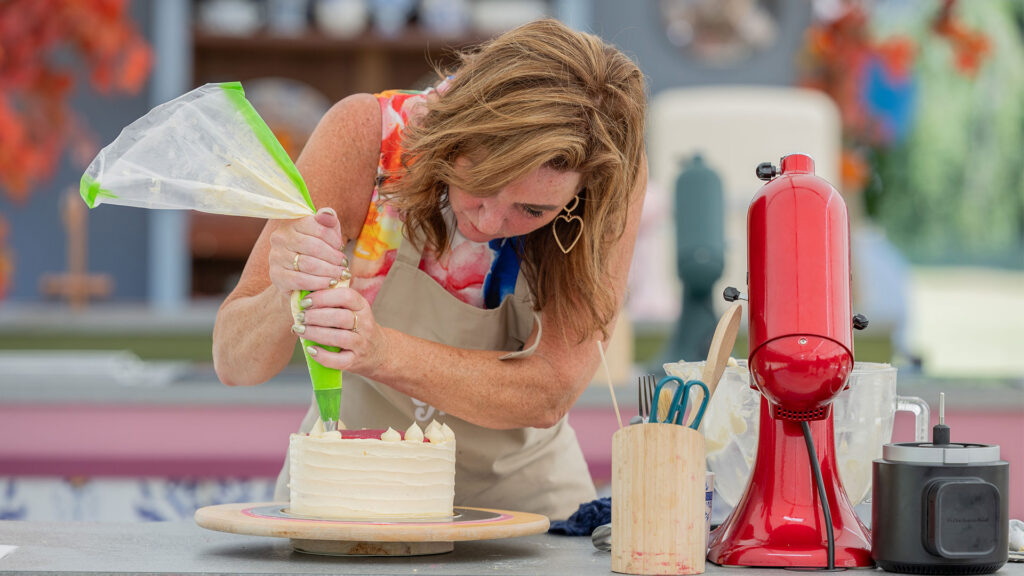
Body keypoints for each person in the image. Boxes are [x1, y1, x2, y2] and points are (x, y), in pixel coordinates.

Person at [212, 18, 647, 521]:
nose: (489, 223)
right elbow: (234, 363)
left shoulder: (608, 178)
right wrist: (282, 292)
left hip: (525, 505)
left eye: (532, 211)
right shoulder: (367, 139)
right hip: (348, 493)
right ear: (455, 134)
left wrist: (379, 351)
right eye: (480, 186)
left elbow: (549, 392)